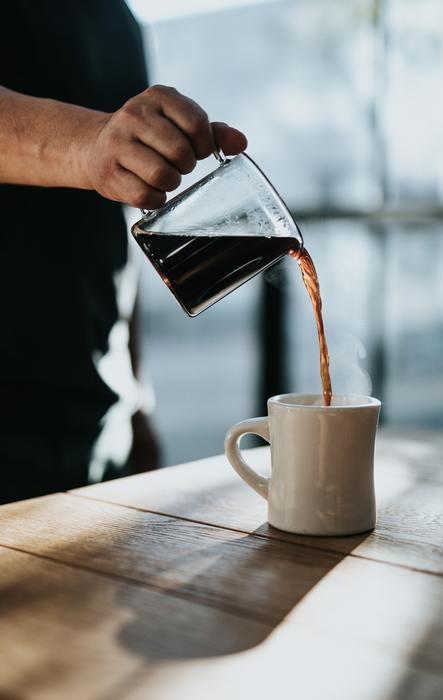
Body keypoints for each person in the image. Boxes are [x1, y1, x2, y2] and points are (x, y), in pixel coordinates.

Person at [0, 1, 247, 504]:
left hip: (99, 411)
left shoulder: (119, 20)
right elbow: (103, 153)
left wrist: (138, 395)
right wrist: (88, 143)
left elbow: (121, 215)